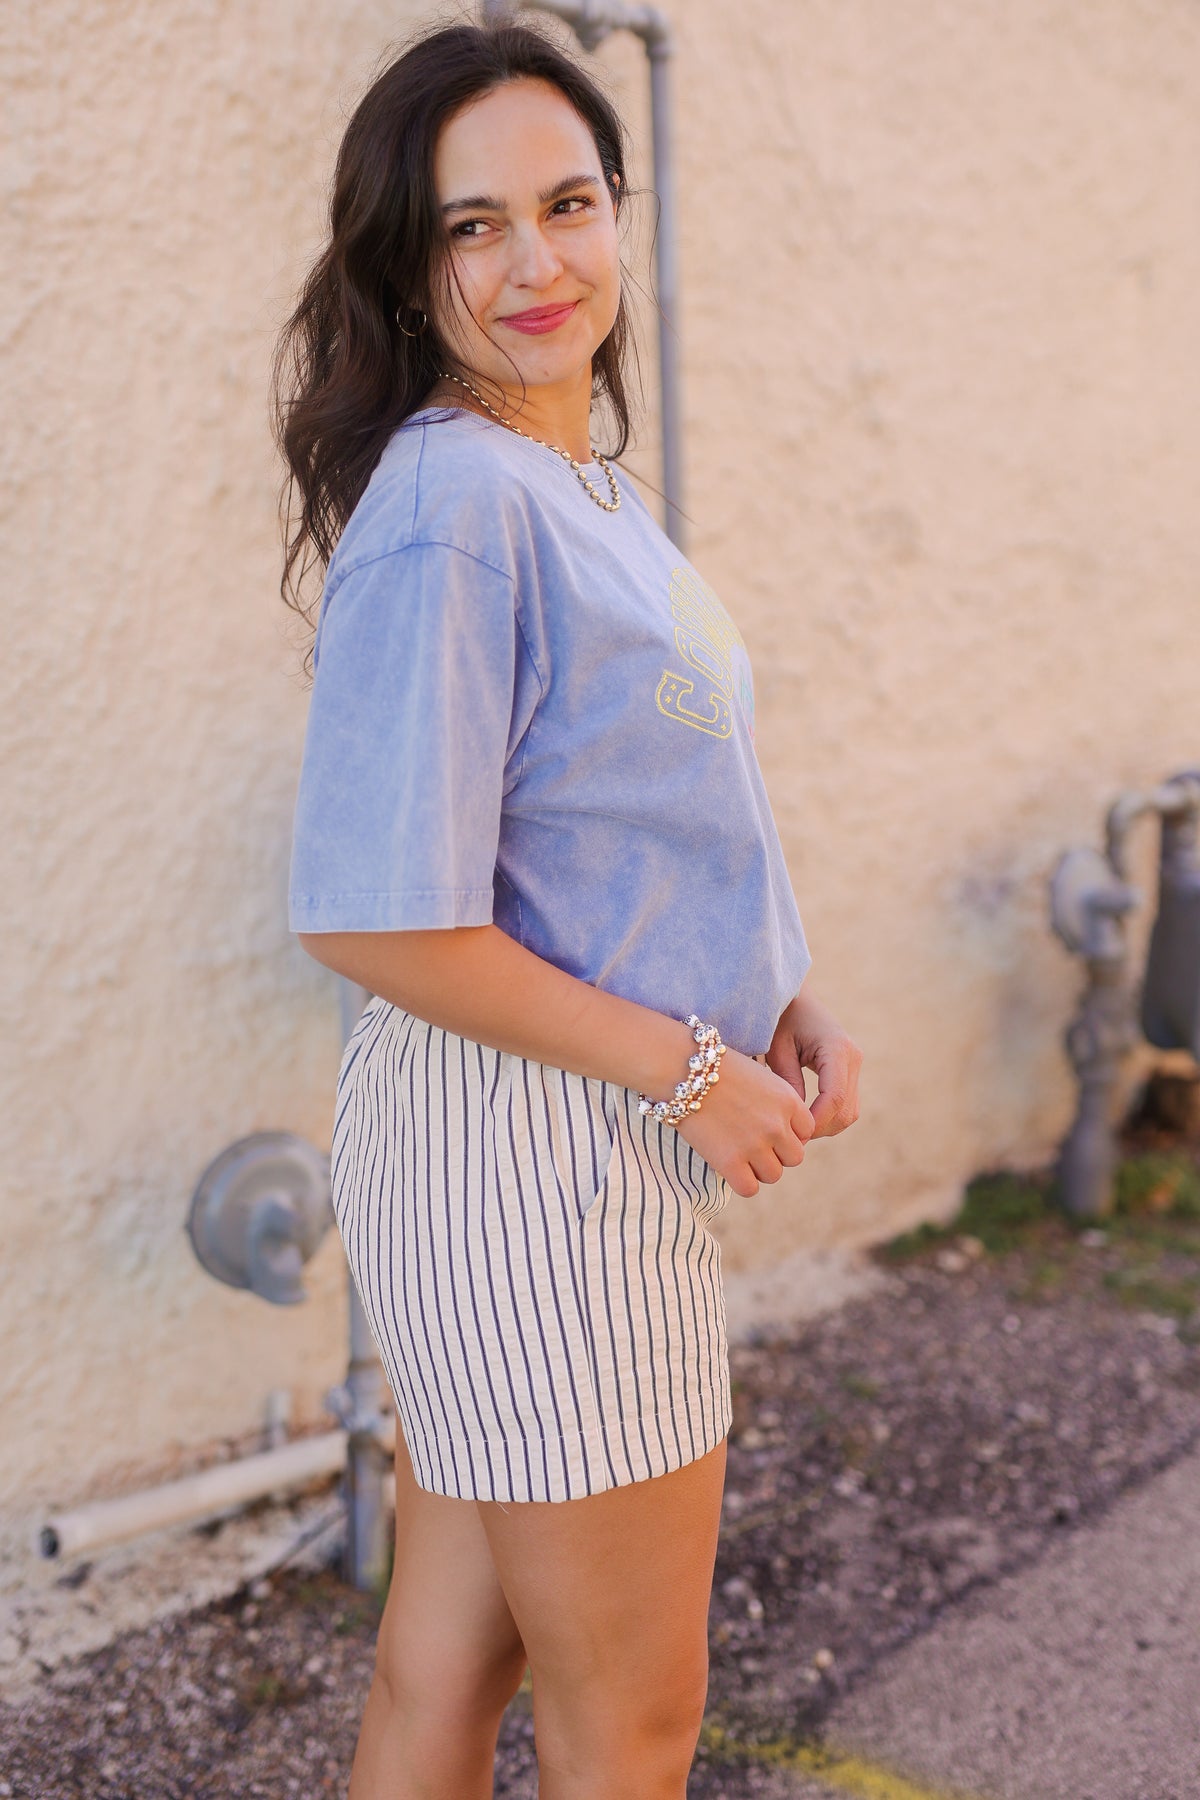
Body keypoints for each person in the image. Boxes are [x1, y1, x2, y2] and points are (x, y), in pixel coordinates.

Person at [273, 16, 862, 1799]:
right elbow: (379, 917)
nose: (535, 262)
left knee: (448, 1663)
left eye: (570, 201)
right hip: (542, 1151)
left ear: (620, 210)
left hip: (554, 1134)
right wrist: (691, 1072)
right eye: (469, 227)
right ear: (405, 261)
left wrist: (783, 993)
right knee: (633, 1719)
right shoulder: (457, 507)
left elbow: (630, 818)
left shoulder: (568, 486)